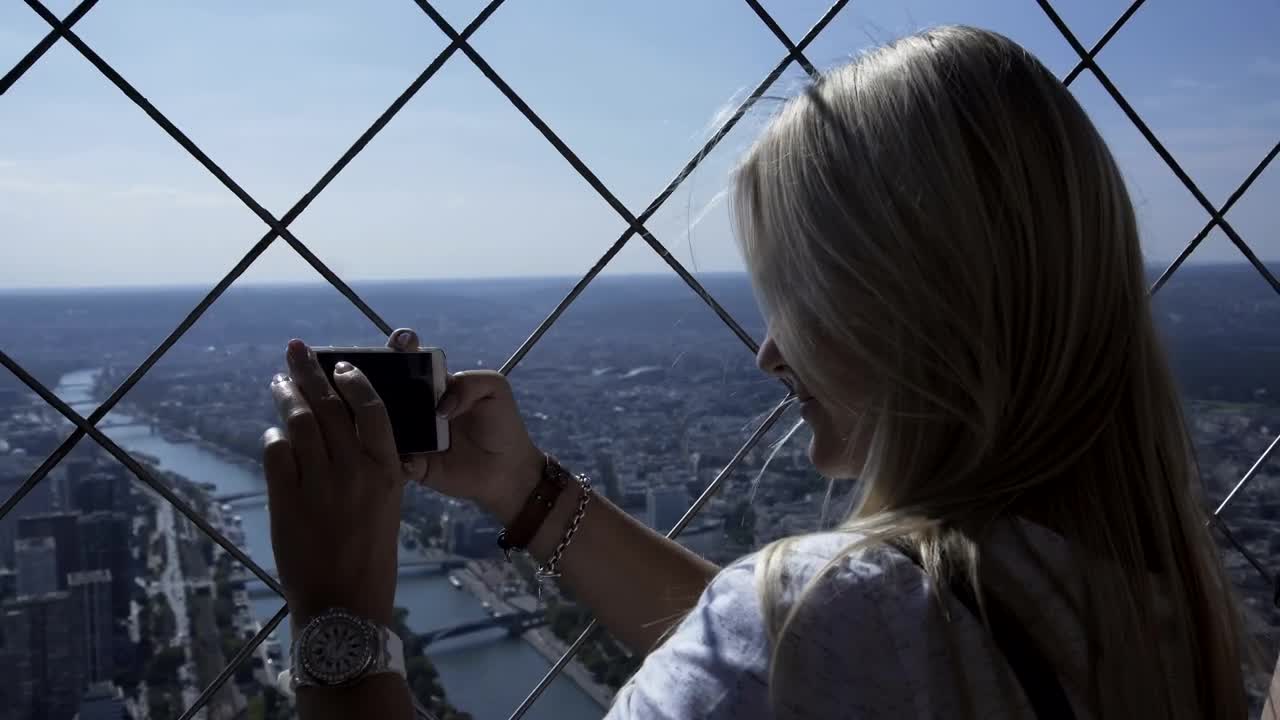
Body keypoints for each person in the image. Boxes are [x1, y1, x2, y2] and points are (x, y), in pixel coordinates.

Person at [261, 25, 1254, 720]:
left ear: (903, 307)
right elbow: (806, 660)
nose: (767, 351)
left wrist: (338, 613)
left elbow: (794, 647)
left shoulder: (837, 621)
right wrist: (525, 494)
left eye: (793, 301)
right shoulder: (1158, 609)